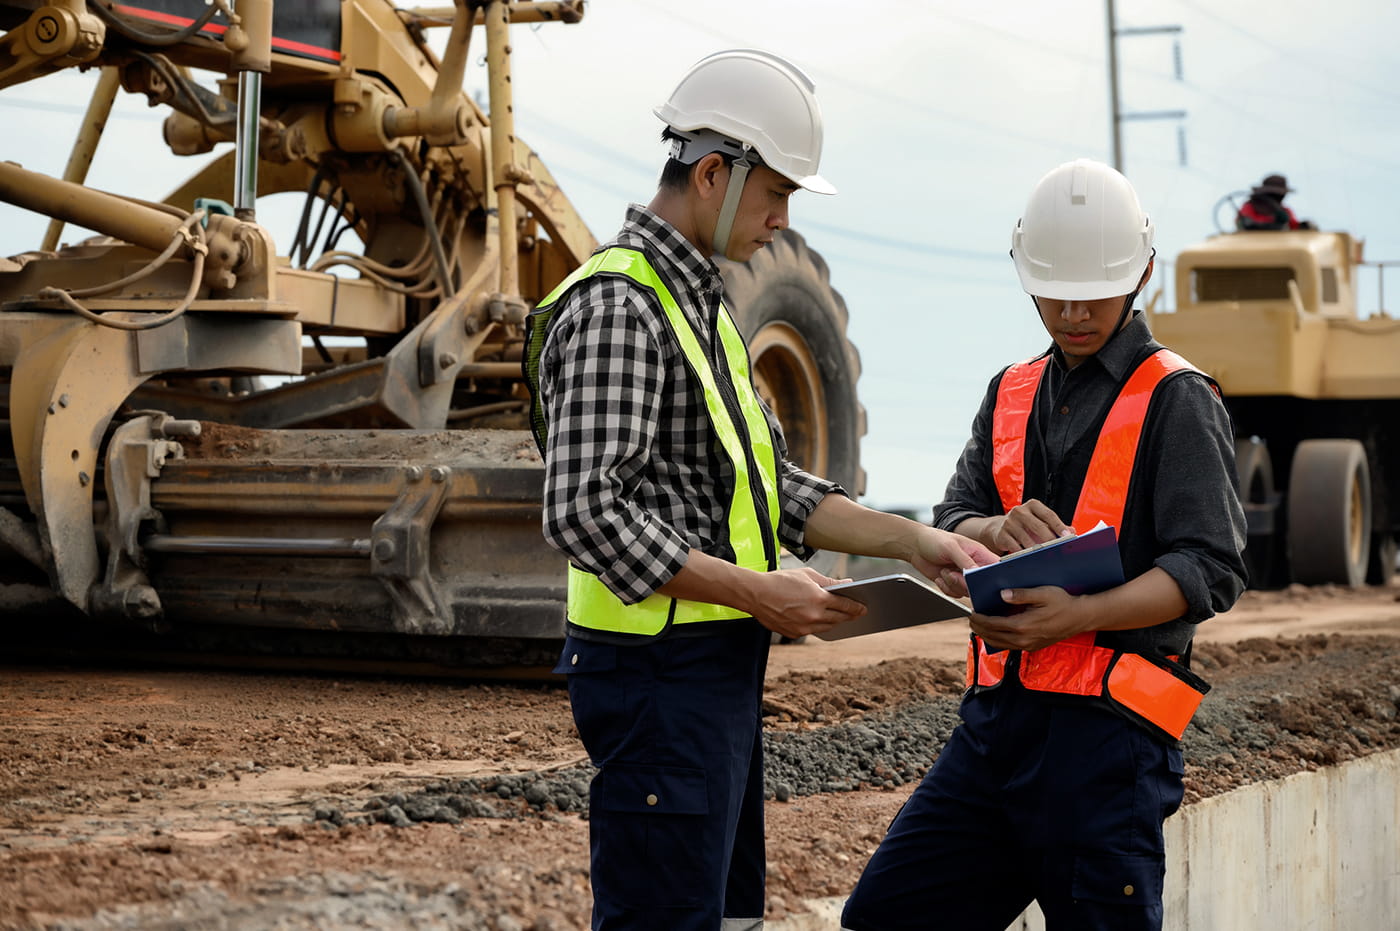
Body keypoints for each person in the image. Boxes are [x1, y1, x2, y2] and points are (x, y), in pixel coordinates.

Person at [522, 49, 997, 931]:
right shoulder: (622, 306)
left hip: (712, 678)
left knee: (726, 918)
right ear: (712, 174)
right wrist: (757, 591)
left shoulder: (699, 304)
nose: (782, 220)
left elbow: (771, 484)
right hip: (655, 678)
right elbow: (583, 508)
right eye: (776, 194)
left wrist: (914, 541)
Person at [841, 159, 1248, 931]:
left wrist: (1074, 616)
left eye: (1092, 290)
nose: (1070, 310)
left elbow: (1211, 566)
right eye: (1052, 289)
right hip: (995, 732)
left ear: (1143, 274)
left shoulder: (1178, 398)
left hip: (1111, 748)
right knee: (885, 916)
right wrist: (988, 531)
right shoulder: (1012, 389)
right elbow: (954, 510)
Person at [1236, 173, 1310, 230]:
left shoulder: (1285, 211)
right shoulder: (1249, 207)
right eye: (1273, 195)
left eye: (1280, 195)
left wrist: (1304, 226)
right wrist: (1274, 223)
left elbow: (1294, 226)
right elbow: (1246, 224)